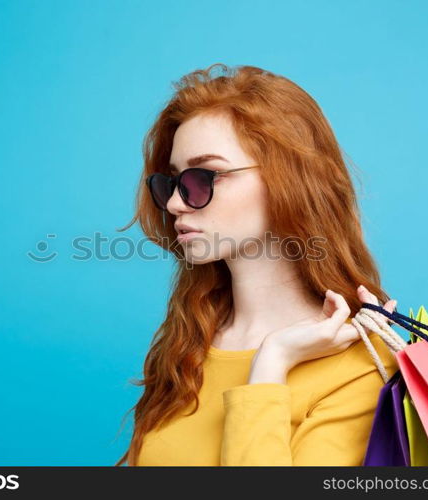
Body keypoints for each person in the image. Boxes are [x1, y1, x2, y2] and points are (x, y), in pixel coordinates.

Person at [115, 63, 399, 466]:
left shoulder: (362, 367)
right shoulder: (190, 343)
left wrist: (271, 364)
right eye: (172, 182)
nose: (176, 203)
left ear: (291, 179)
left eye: (205, 176)